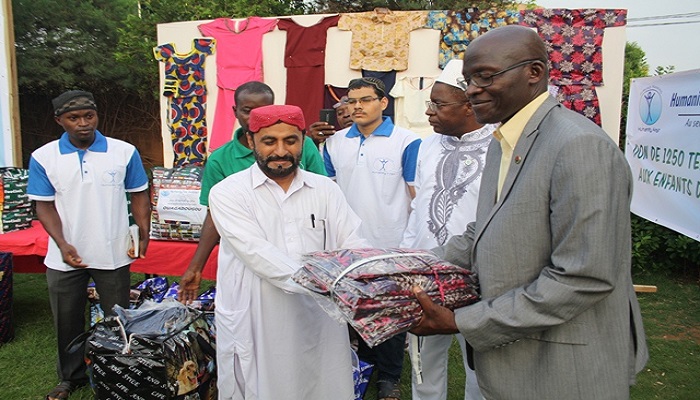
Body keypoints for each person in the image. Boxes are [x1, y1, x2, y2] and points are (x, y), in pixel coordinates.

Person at [410, 25, 648, 399]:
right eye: (469, 80)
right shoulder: (503, 141)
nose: (472, 90)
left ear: (534, 73)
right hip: (519, 360)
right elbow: (482, 231)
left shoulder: (578, 145)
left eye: (485, 76)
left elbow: (583, 277)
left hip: (565, 367)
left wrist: (463, 321)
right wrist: (402, 271)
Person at [208, 104, 370, 399]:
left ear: (303, 141)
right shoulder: (228, 193)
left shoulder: (326, 189)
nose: (281, 151)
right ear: (251, 140)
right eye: (270, 141)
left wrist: (369, 280)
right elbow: (257, 253)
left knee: (323, 382)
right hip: (259, 312)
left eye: (290, 140)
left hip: (320, 316)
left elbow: (352, 243)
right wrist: (329, 285)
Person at [26, 90, 151, 400]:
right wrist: (62, 244)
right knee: (66, 319)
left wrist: (143, 229)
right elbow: (44, 205)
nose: (83, 123)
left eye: (89, 116)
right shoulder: (44, 157)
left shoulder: (124, 152)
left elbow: (139, 193)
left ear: (97, 116)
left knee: (116, 317)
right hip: (64, 255)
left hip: (112, 252)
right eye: (74, 118)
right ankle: (70, 377)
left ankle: (116, 372)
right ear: (59, 121)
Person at [178, 81, 326, 303]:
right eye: (247, 111)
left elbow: (321, 194)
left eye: (262, 110)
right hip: (248, 263)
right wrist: (196, 265)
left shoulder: (303, 147)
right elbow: (214, 215)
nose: (254, 117)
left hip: (302, 254)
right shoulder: (220, 159)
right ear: (235, 111)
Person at [401, 60, 494, 400]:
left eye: (438, 104)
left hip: (480, 278)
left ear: (469, 105)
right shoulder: (427, 145)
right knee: (423, 364)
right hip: (425, 275)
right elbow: (418, 207)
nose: (429, 112)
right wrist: (407, 260)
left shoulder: (499, 147)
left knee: (482, 368)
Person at [323, 76, 421, 400]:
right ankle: (363, 367)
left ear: (383, 102)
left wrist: (411, 244)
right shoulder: (334, 143)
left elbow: (416, 195)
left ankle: (389, 378)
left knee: (391, 312)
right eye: (351, 101)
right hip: (349, 243)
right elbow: (328, 193)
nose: (357, 107)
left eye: (365, 100)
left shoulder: (407, 142)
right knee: (357, 309)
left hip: (392, 242)